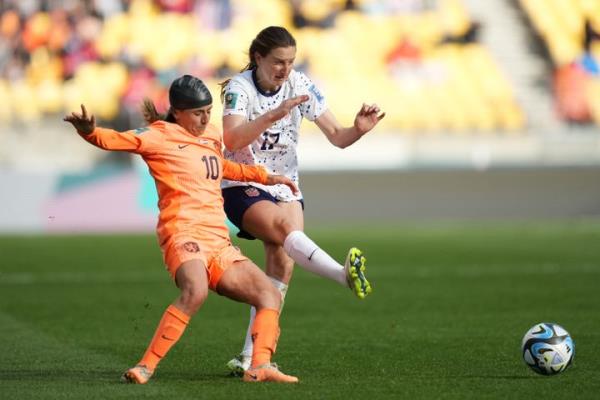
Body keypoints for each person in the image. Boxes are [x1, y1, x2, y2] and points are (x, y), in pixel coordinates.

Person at [63, 75, 301, 384]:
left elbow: (221, 167)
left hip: (218, 242)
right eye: (198, 113)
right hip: (183, 233)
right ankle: (145, 366)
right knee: (195, 291)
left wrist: (265, 177)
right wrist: (89, 131)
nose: (205, 119)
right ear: (178, 112)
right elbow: (116, 140)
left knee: (269, 294)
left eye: (208, 111)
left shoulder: (212, 135)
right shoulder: (158, 135)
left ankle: (260, 365)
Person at [219, 26, 385, 374]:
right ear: (258, 58)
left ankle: (251, 357)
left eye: (291, 62)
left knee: (282, 266)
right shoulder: (239, 89)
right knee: (283, 229)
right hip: (244, 182)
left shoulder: (300, 84)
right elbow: (232, 138)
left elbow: (338, 137)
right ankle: (342, 276)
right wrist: (270, 116)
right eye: (278, 62)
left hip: (286, 184)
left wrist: (358, 129)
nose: (285, 69)